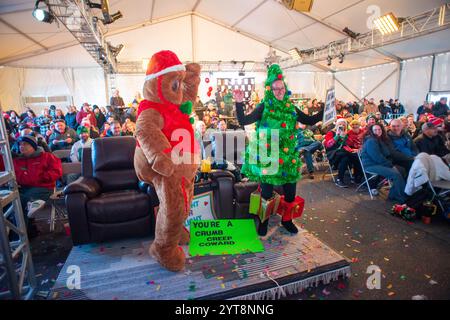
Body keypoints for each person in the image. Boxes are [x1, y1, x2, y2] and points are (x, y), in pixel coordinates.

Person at [234, 64, 323, 236]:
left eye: (281, 88)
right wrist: (239, 102)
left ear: (285, 87)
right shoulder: (264, 107)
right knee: (267, 193)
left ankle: (287, 220)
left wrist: (326, 111)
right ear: (270, 89)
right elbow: (244, 121)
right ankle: (263, 222)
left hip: (288, 155)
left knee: (290, 193)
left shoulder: (291, 107)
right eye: (275, 89)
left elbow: (309, 119)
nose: (279, 91)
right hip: (269, 154)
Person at [12, 136, 62, 237]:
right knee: (13, 201)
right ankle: (28, 231)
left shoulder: (47, 156)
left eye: (25, 144)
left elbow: (57, 171)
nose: (22, 146)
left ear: (33, 146)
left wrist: (41, 178)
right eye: (20, 144)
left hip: (43, 188)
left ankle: (18, 236)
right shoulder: (17, 160)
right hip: (23, 189)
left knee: (20, 202)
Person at [361, 124, 407, 204]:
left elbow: (385, 154)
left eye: (379, 129)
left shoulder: (380, 139)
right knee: (396, 174)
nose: (378, 131)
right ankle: (400, 197)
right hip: (371, 165)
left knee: (402, 170)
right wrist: (391, 165)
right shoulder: (371, 141)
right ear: (371, 131)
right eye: (375, 130)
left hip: (379, 163)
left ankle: (393, 195)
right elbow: (377, 157)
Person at [324, 118, 362, 188]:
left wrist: (345, 137)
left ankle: (342, 179)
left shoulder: (346, 134)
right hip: (333, 154)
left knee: (346, 157)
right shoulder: (331, 133)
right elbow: (328, 145)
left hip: (344, 154)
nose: (342, 126)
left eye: (343, 125)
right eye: (340, 124)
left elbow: (349, 144)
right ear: (336, 125)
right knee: (349, 154)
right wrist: (337, 135)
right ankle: (358, 176)